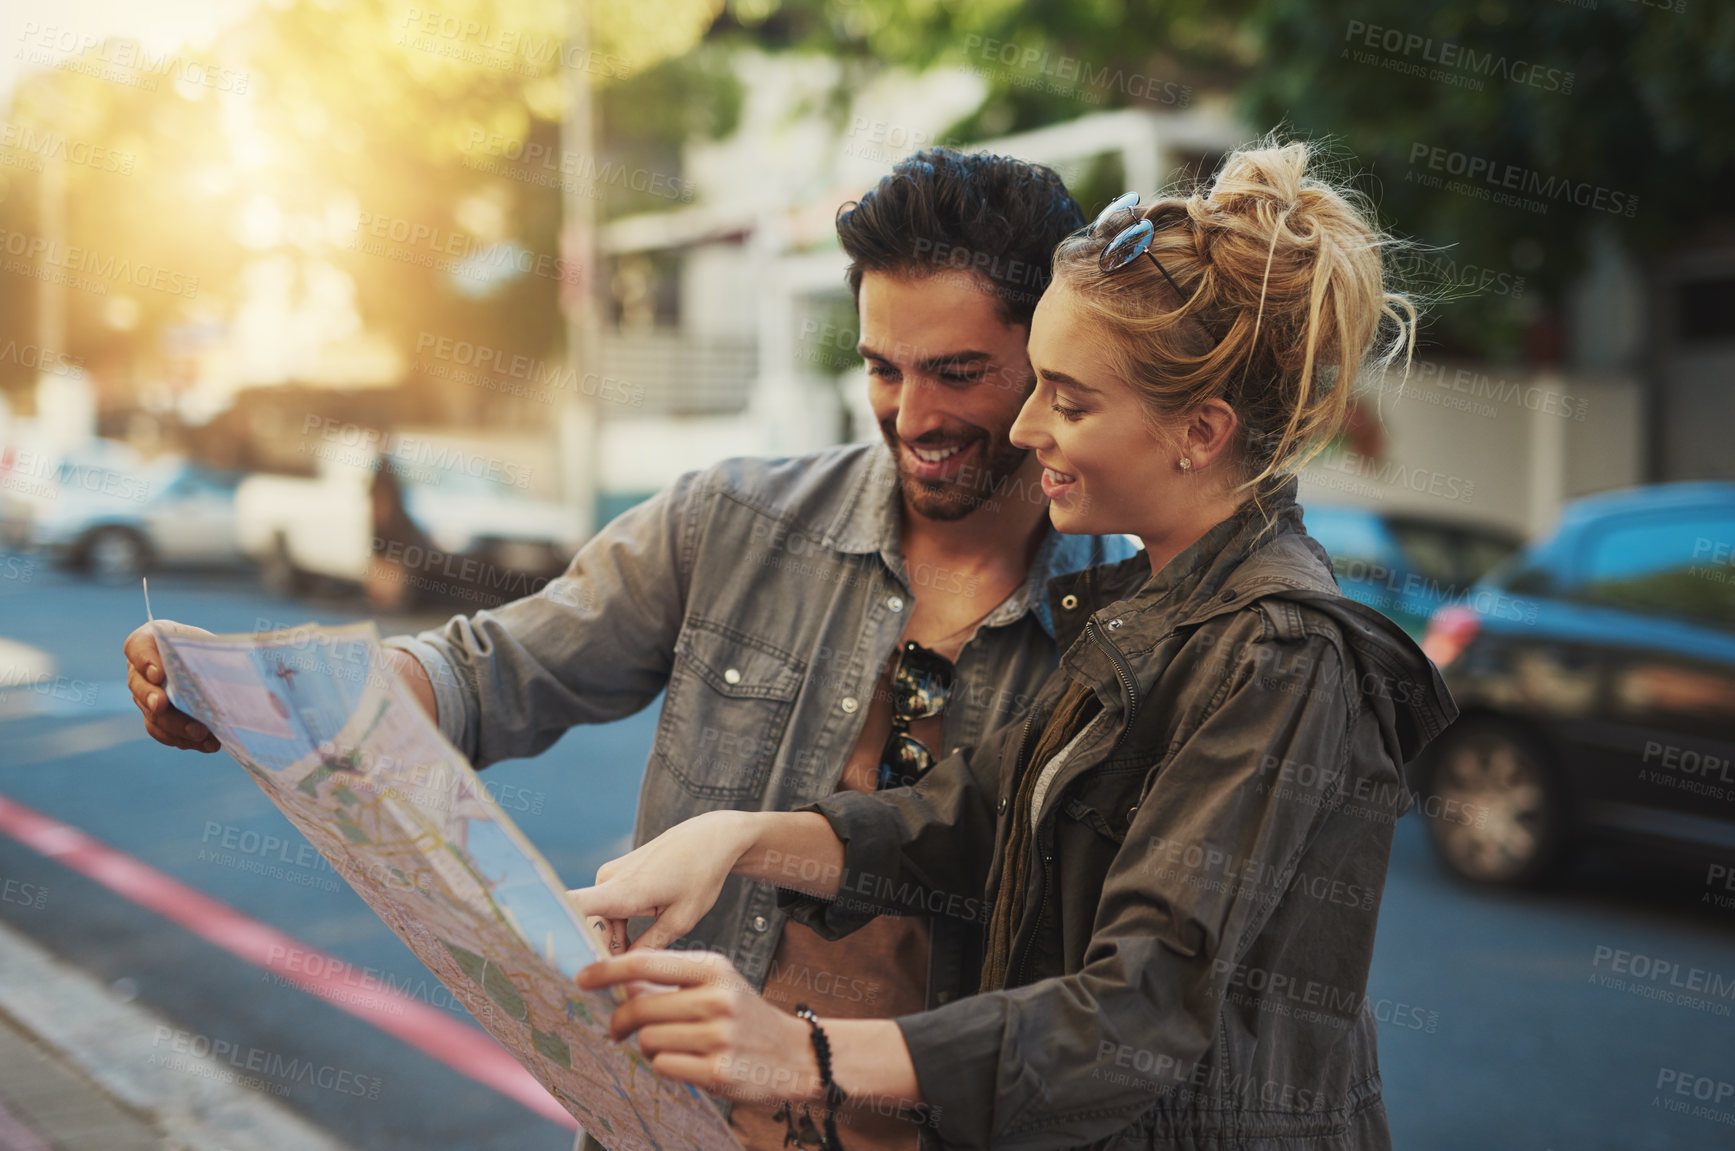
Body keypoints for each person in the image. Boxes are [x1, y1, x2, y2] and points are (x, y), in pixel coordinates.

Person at [121, 148, 1138, 1151]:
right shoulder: (731, 520)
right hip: (666, 1123)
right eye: (882, 368)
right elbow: (491, 669)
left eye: (956, 373)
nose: (911, 416)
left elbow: (1125, 998)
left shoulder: (1137, 621)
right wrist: (270, 683)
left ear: (1049, 359)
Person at [570, 139, 1459, 1151]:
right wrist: (727, 837)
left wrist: (800, 1053)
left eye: (1069, 399)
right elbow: (968, 819)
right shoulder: (1151, 607)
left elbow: (1136, 1010)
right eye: (1034, 383)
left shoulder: (1277, 654)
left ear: (1201, 430)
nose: (1027, 426)